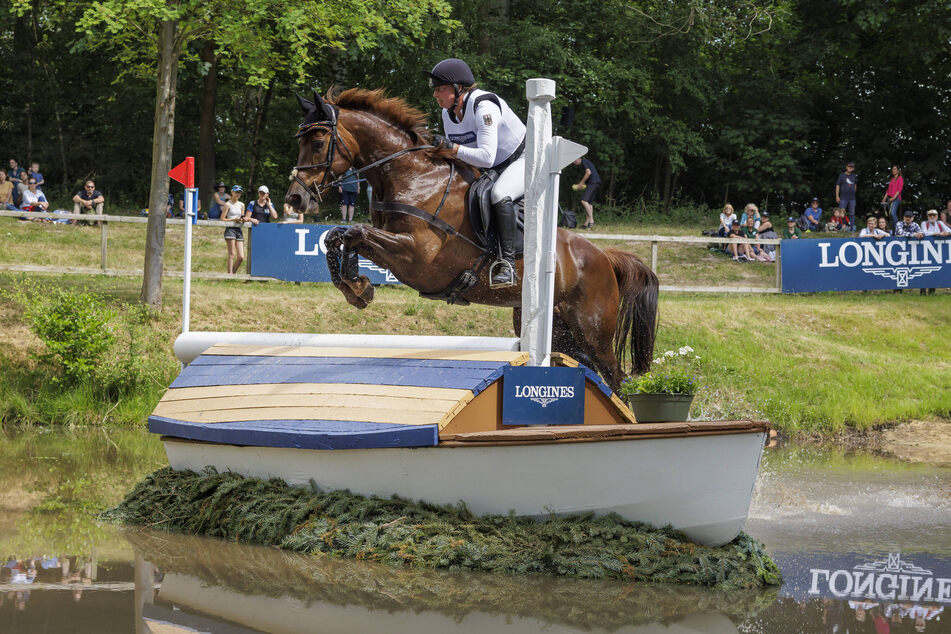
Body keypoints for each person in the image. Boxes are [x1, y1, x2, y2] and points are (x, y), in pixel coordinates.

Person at [425, 57, 526, 286]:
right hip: (493, 166)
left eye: (440, 89)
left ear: (458, 88)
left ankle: (507, 265)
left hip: (521, 159)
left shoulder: (484, 107)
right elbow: (460, 157)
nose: (435, 94)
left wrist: (452, 148)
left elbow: (486, 157)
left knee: (500, 194)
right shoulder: (447, 113)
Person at [222, 185, 246, 274]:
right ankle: (230, 275)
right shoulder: (227, 204)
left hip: (238, 229)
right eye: (236, 192)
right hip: (230, 229)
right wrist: (233, 219)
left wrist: (242, 219)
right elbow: (222, 218)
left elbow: (242, 216)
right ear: (232, 192)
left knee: (241, 256)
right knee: (232, 254)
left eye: (239, 192)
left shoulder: (242, 204)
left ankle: (233, 273)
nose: (238, 194)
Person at [571, 157, 600, 229]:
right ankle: (587, 224)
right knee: (589, 203)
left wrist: (581, 183)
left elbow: (588, 173)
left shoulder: (584, 162)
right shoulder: (585, 163)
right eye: (572, 162)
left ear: (579, 157)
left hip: (592, 183)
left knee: (584, 201)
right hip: (596, 183)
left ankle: (591, 221)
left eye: (574, 160)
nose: (573, 162)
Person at [835, 161, 858, 230]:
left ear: (853, 168)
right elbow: (837, 185)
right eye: (849, 166)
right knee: (841, 213)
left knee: (852, 213)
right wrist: (837, 196)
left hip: (852, 198)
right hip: (843, 198)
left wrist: (854, 192)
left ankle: (852, 227)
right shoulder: (842, 175)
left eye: (852, 167)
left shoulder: (854, 176)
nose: (850, 168)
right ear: (846, 167)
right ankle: (840, 227)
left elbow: (855, 185)